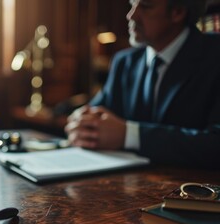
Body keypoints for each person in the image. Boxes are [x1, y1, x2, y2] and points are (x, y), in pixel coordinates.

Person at [65, 0, 220, 167]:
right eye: (132, 4)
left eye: (145, 7)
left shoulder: (214, 57)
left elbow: (215, 144)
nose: (131, 15)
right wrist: (80, 125)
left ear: (178, 13)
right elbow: (96, 116)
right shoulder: (124, 62)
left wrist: (130, 135)